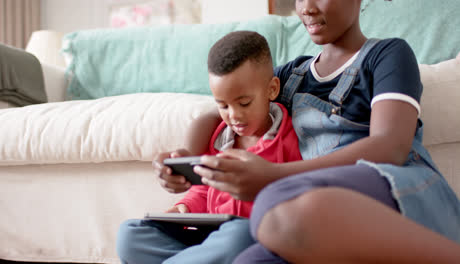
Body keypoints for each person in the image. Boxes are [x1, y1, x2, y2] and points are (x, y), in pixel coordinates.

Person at [155, 0, 460, 263]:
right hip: (325, 204)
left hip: (395, 184)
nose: (307, 8)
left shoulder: (387, 55)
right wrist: (188, 160)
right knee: (250, 256)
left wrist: (275, 176)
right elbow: (215, 113)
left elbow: (390, 147)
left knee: (272, 205)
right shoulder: (291, 75)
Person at [116, 31, 302, 264]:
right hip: (209, 237)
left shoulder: (288, 139)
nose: (233, 115)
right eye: (222, 105)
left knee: (238, 237)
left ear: (272, 89)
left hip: (249, 238)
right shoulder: (220, 137)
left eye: (244, 103)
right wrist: (182, 209)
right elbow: (204, 188)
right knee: (130, 234)